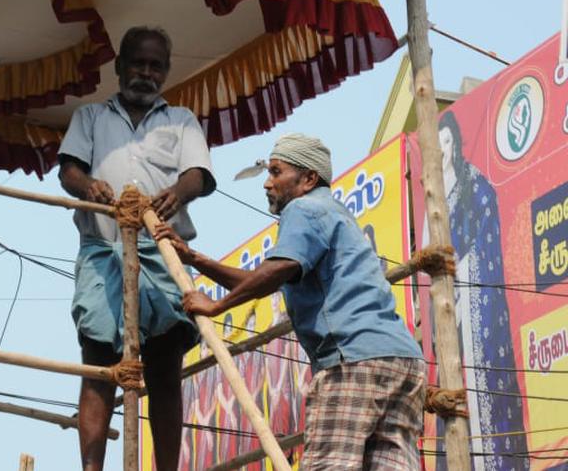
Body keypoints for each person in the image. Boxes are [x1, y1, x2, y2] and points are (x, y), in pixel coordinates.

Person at [158, 133, 425, 470]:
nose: (267, 184)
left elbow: (278, 269)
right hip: (402, 361)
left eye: (276, 172)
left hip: (353, 360)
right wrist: (194, 258)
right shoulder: (333, 212)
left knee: (329, 464)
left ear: (308, 179)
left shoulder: (304, 208)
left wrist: (216, 306)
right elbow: (265, 279)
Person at [58, 26, 215, 471]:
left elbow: (198, 175)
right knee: (100, 366)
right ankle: (92, 469)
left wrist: (178, 192)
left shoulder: (181, 119)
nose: (146, 73)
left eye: (155, 66)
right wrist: (90, 186)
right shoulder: (90, 117)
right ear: (119, 67)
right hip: (103, 249)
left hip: (161, 250)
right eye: (138, 64)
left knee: (165, 368)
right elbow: (69, 172)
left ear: (164, 72)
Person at [436, 111, 526, 468]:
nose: (442, 151)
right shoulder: (437, 194)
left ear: (456, 144)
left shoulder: (474, 187)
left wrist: (461, 288)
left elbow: (484, 248)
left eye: (446, 142)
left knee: (482, 393)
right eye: (437, 144)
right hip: (447, 320)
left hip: (476, 315)